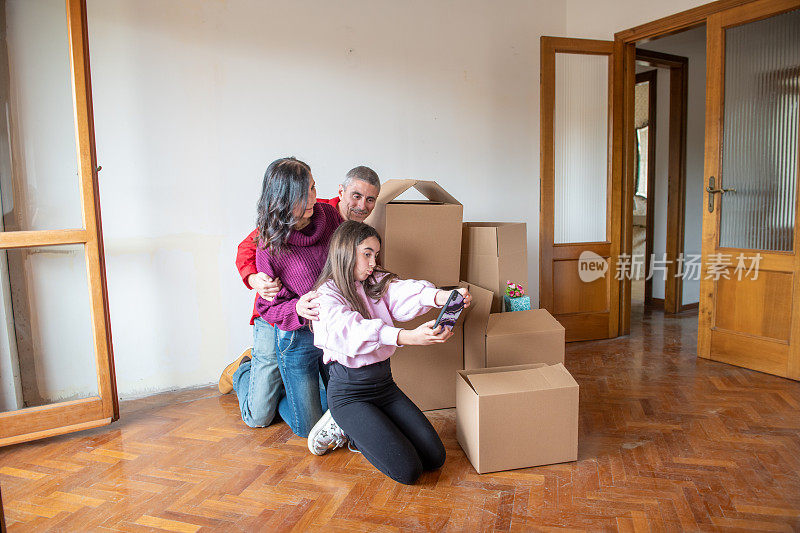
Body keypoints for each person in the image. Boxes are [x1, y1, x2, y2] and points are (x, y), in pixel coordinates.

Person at [307, 221, 472, 485]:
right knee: (409, 471)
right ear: (346, 252)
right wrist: (407, 337)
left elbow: (400, 290)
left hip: (384, 386)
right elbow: (353, 330)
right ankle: (345, 426)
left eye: (376, 254)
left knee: (435, 457)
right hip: (349, 394)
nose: (373, 262)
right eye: (367, 254)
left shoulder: (372, 281)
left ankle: (369, 426)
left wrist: (442, 297)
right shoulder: (325, 296)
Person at [218, 166, 381, 430]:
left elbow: (348, 262)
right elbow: (247, 255)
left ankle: (287, 388)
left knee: (334, 412)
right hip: (278, 321)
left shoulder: (329, 215)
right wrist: (253, 278)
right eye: (356, 196)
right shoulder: (270, 238)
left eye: (313, 188)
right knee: (259, 416)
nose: (312, 199)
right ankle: (243, 370)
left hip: (316, 325)